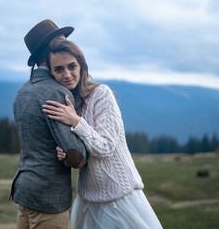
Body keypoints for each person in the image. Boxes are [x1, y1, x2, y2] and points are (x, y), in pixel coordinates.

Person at [42, 39, 163, 229]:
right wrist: (66, 152)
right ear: (51, 73)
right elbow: (83, 152)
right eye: (58, 69)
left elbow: (105, 147)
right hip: (87, 199)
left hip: (119, 198)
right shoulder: (67, 102)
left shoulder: (101, 94)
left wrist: (76, 121)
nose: (67, 74)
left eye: (72, 66)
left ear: (81, 66)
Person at [9, 19, 88, 229]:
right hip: (48, 199)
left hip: (24, 191)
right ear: (48, 50)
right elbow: (75, 156)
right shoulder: (56, 91)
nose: (65, 43)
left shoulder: (22, 91)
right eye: (60, 39)